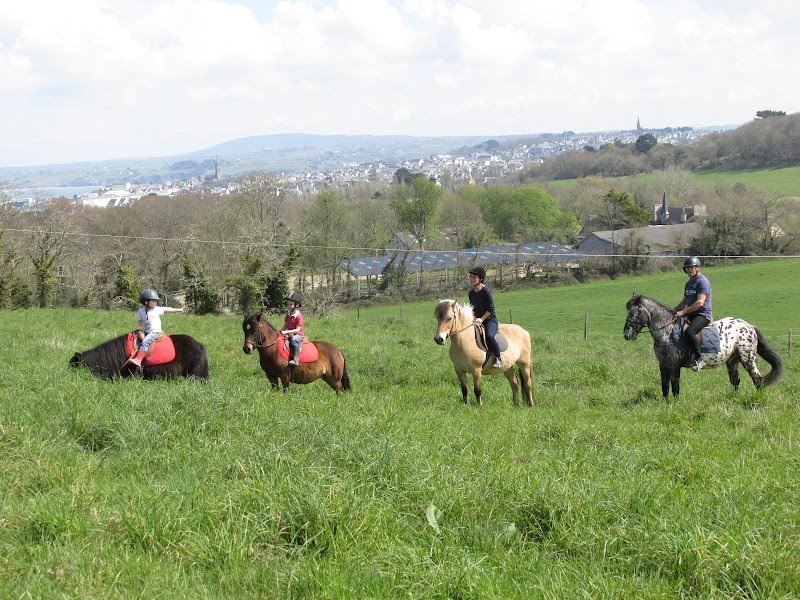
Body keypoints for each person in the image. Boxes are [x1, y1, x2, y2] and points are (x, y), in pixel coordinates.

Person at [125, 289, 184, 370]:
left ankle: (138, 359)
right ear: (146, 302)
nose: (156, 302)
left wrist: (178, 310)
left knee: (145, 341)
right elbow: (140, 320)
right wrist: (139, 328)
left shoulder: (157, 309)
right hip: (146, 331)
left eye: (156, 301)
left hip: (155, 332)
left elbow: (168, 309)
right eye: (154, 301)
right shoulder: (141, 311)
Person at [673, 256, 712, 371]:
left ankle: (699, 359)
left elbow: (700, 303)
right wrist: (673, 311)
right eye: (687, 268)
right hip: (691, 314)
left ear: (698, 268)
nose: (690, 270)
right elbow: (685, 301)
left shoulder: (702, 281)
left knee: (690, 332)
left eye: (692, 267)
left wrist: (683, 312)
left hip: (703, 315)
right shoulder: (689, 283)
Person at [468, 267, 503, 368]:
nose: (472, 279)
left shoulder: (486, 291)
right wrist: (474, 317)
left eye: (474, 277)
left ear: (481, 279)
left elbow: (490, 309)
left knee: (489, 336)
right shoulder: (471, 293)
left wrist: (481, 319)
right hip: (477, 321)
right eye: (471, 277)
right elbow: (472, 308)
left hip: (489, 320)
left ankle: (498, 358)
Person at [281, 291, 305, 366]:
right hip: (289, 333)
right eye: (287, 304)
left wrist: (286, 332)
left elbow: (297, 330)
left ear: (296, 305)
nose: (288, 306)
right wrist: (280, 331)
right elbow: (285, 325)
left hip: (298, 335)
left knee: (294, 340)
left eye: (291, 304)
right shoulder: (288, 315)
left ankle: (295, 359)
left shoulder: (298, 316)